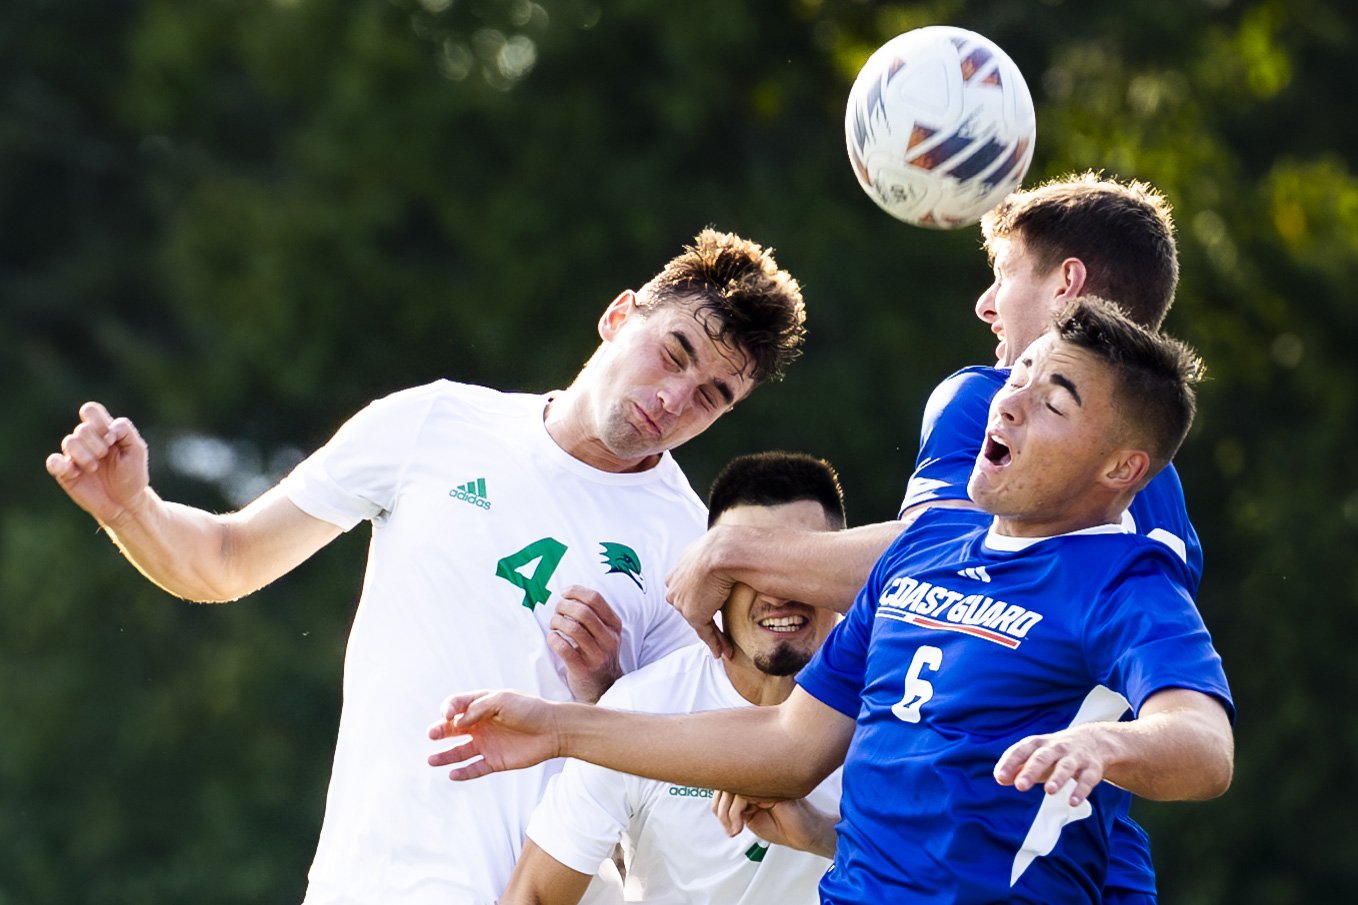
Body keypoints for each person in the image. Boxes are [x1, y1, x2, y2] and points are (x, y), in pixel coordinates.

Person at [44, 228, 808, 905]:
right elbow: (225, 560)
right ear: (619, 316)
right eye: (674, 353)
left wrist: (607, 694)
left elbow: (685, 792)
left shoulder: (695, 552)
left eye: (712, 395)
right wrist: (130, 508)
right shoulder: (435, 422)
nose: (676, 397)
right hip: (358, 883)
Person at [428, 297, 1235, 905]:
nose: (1011, 402)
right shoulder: (922, 549)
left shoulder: (1124, 579)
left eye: (1053, 401)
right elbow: (790, 743)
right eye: (1017, 377)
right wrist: (562, 729)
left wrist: (1106, 750)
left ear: (1122, 470)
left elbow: (1204, 744)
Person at [665, 172, 1192, 902]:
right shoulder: (1154, 483)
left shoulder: (982, 395)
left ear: (1068, 282)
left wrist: (732, 550)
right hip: (1093, 861)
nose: (984, 303)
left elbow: (931, 564)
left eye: (1002, 273)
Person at [501, 451, 846, 905]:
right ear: (711, 580)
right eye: (746, 566)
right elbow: (534, 896)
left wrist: (821, 835)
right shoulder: (644, 705)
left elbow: (958, 871)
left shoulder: (904, 703)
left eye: (801, 562)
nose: (778, 591)